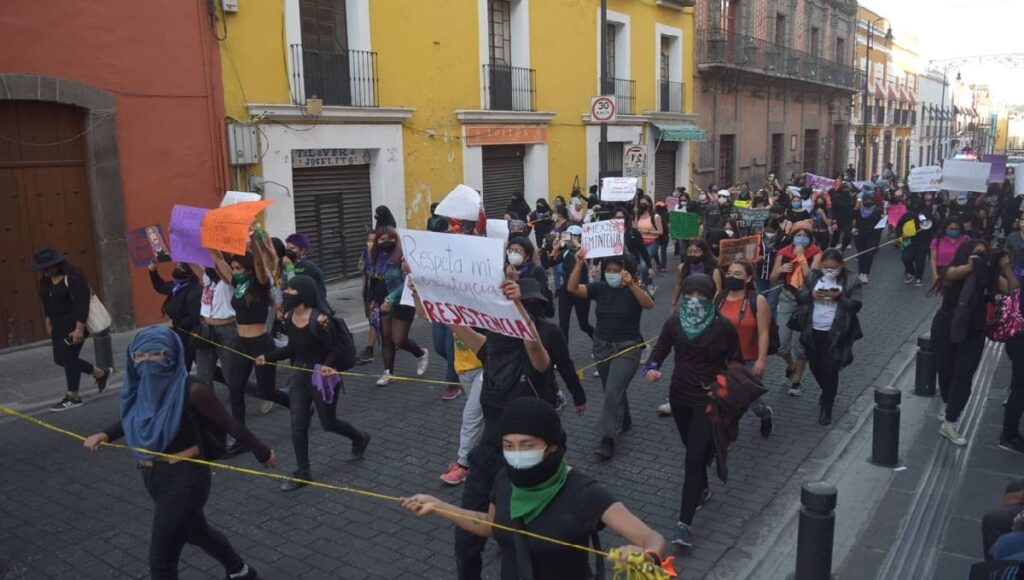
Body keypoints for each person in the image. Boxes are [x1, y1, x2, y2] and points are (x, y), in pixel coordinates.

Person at [82, 326, 274, 580]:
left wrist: (262, 452)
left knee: (161, 561)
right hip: (152, 475)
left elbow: (230, 424)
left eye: (156, 354)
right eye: (139, 356)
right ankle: (241, 571)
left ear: (172, 354)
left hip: (186, 478)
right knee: (197, 532)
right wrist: (106, 434)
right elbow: (136, 416)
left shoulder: (192, 389)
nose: (147, 362)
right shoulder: (142, 387)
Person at [401, 397, 666, 580]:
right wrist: (437, 506)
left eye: (527, 445)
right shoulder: (505, 479)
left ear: (551, 446)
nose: (516, 454)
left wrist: (645, 555)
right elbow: (492, 526)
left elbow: (652, 539)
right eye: (509, 445)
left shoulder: (582, 492)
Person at [441, 279, 583, 580]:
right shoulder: (491, 348)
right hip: (489, 456)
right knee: (465, 543)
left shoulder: (538, 347)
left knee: (526, 543)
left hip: (530, 461)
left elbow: (534, 346)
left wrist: (517, 307)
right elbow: (454, 325)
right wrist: (427, 293)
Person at [644, 274, 742, 547]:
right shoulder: (675, 322)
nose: (695, 301)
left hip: (708, 399)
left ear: (712, 299)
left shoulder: (724, 327)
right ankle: (704, 487)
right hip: (679, 397)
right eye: (689, 296)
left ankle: (682, 525)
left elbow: (735, 362)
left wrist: (723, 387)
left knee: (693, 457)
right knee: (692, 448)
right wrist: (650, 369)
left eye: (701, 297)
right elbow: (659, 352)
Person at [256, 275, 371, 491]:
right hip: (299, 375)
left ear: (303, 295)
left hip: (322, 378)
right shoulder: (289, 318)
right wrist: (267, 357)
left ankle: (360, 437)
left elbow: (335, 349)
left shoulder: (321, 320)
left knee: (329, 422)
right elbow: (292, 349)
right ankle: (303, 471)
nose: (285, 295)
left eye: (290, 291)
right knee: (297, 424)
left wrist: (328, 366)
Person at [567, 251, 654, 459]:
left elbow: (649, 304)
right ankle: (624, 419)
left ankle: (607, 439)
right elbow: (571, 288)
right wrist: (579, 264)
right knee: (612, 387)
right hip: (602, 346)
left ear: (629, 272)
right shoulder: (601, 288)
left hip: (627, 347)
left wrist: (631, 284)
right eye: (609, 270)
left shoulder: (635, 289)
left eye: (617, 271)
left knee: (612, 390)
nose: (612, 274)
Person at [932, 240, 1016, 445]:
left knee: (964, 374)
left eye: (983, 254)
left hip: (974, 331)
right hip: (947, 327)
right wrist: (970, 266)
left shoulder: (989, 277)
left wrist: (1005, 267)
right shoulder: (955, 270)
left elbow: (1014, 290)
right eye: (975, 253)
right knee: (945, 370)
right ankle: (947, 402)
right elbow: (950, 275)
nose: (979, 257)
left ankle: (950, 420)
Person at [209, 246, 291, 456]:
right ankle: (241, 439)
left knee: (267, 391)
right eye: (233, 267)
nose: (235, 271)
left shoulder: (260, 284)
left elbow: (259, 265)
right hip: (240, 343)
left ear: (249, 269)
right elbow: (219, 260)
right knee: (235, 390)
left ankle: (299, 406)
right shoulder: (239, 284)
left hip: (261, 344)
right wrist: (208, 243)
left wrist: (255, 240)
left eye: (238, 268)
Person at [31, 247, 113, 411]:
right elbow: (46, 301)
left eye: (48, 267)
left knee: (69, 358)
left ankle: (73, 397)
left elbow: (82, 304)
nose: (45, 271)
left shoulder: (74, 278)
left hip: (74, 323)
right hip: (57, 324)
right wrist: (48, 320)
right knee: (59, 359)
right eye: (43, 268)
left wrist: (79, 329)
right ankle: (100, 373)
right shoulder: (45, 281)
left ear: (57, 264)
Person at [795, 250, 863, 425]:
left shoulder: (852, 280)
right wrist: (811, 295)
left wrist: (839, 297)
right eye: (825, 267)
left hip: (837, 333)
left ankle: (827, 406)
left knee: (830, 368)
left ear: (841, 266)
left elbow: (856, 305)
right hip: (813, 330)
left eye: (833, 268)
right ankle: (827, 392)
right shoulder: (813, 277)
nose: (829, 271)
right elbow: (800, 295)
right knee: (816, 367)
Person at [717, 261, 775, 436]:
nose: (731, 277)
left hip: (748, 359)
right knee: (724, 397)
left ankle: (765, 413)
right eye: (729, 272)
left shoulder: (757, 300)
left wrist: (761, 360)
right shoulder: (719, 298)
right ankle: (726, 433)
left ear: (748, 277)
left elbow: (764, 332)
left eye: (737, 274)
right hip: (722, 358)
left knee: (750, 400)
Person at [368, 226, 429, 386]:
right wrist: (371, 300)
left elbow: (407, 281)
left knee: (399, 340)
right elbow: (372, 280)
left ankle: (420, 353)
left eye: (390, 238)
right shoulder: (374, 257)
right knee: (386, 338)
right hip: (381, 303)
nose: (386, 242)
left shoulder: (402, 257)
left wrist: (390, 299)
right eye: (382, 239)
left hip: (401, 302)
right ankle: (389, 372)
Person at [770, 221, 823, 397]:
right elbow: (772, 278)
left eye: (805, 235)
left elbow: (812, 278)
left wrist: (801, 257)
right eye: (798, 235)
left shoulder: (816, 253)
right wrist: (780, 270)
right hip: (787, 297)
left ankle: (798, 379)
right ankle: (791, 365)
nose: (802, 238)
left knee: (800, 345)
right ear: (792, 237)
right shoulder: (783, 253)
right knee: (781, 344)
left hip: (806, 301)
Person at [149, 261, 202, 372]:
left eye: (181, 266)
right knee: (192, 366)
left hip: (190, 335)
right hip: (179, 332)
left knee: (187, 366)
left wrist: (176, 323)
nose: (178, 267)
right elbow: (161, 287)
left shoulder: (194, 290)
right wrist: (153, 271)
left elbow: (196, 317)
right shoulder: (177, 286)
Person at [551, 225, 595, 341]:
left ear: (580, 237)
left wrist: (576, 243)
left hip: (581, 290)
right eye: (568, 236)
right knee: (563, 325)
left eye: (573, 235)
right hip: (566, 291)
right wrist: (555, 249)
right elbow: (550, 263)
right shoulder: (565, 252)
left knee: (584, 325)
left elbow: (585, 257)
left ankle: (600, 343)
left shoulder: (585, 250)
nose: (569, 238)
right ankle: (564, 356)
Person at [670, 240, 722, 312]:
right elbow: (679, 284)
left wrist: (711, 307)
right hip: (688, 304)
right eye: (690, 252)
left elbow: (718, 291)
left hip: (707, 304)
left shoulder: (713, 271)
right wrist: (673, 302)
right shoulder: (682, 268)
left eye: (696, 252)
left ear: (704, 253)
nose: (693, 254)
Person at [757, 218, 788, 317]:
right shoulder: (758, 238)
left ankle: (772, 327)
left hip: (777, 276)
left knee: (771, 303)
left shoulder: (784, 239)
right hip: (761, 275)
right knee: (762, 302)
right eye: (767, 231)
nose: (768, 233)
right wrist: (757, 258)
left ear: (777, 229)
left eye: (771, 231)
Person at [852, 193, 884, 284]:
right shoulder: (859, 210)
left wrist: (877, 235)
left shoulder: (878, 210)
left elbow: (881, 224)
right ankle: (860, 273)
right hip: (859, 235)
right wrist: (856, 207)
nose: (868, 202)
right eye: (866, 200)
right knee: (861, 254)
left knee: (869, 254)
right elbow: (851, 216)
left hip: (872, 236)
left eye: (870, 200)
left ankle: (866, 273)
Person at [897, 210, 933, 287]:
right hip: (909, 240)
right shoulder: (907, 216)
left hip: (924, 241)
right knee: (905, 257)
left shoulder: (928, 215)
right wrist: (900, 235)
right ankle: (911, 272)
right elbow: (899, 225)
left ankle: (919, 277)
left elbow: (933, 228)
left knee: (920, 259)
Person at [357, 230, 377, 364]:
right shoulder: (365, 253)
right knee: (372, 319)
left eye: (373, 241)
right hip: (369, 292)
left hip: (379, 293)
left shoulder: (384, 256)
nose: (370, 243)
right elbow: (363, 271)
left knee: (373, 319)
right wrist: (362, 288)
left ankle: (370, 349)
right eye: (368, 240)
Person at [636, 195, 664, 284]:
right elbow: (635, 228)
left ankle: (646, 285)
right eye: (640, 204)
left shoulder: (655, 216)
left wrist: (648, 231)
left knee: (644, 265)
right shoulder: (638, 215)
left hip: (652, 243)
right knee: (643, 265)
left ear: (649, 204)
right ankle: (649, 283)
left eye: (644, 203)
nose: (642, 205)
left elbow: (660, 232)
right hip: (640, 243)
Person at [930, 219, 966, 285]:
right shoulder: (937, 240)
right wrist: (934, 275)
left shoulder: (965, 239)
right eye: (951, 229)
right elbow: (933, 259)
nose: (954, 231)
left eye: (956, 229)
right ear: (945, 229)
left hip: (961, 270)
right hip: (942, 270)